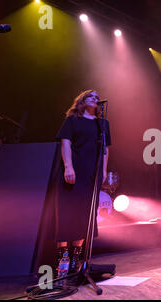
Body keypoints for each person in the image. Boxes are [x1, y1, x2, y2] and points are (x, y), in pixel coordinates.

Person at [54, 89, 111, 276]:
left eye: (97, 97)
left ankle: (76, 261)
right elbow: (65, 142)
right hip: (74, 171)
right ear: (82, 101)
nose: (96, 99)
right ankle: (63, 260)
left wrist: (103, 171)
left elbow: (105, 150)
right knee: (67, 213)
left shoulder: (102, 124)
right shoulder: (72, 121)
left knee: (84, 216)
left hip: (91, 175)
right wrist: (68, 167)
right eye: (91, 96)